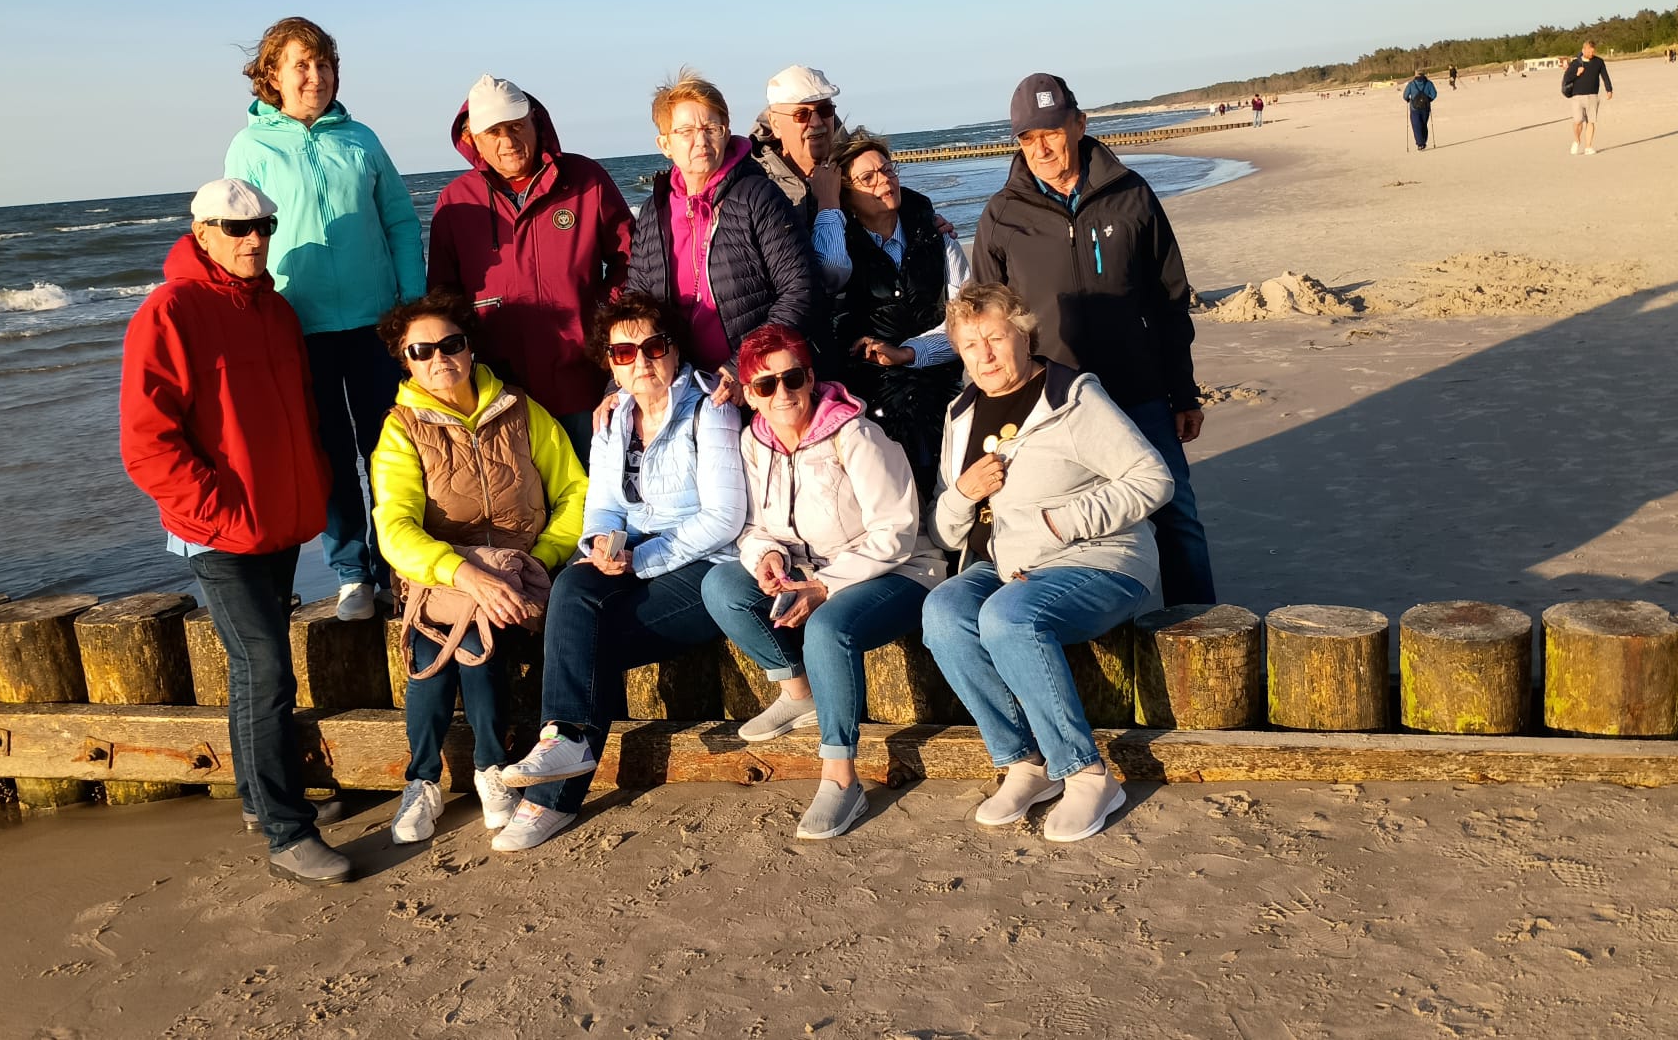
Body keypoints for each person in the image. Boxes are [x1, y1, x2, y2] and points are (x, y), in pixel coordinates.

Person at [120, 179, 350, 886]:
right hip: (218, 532)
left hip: (277, 522)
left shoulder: (275, 310)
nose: (254, 240)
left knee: (257, 666)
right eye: (236, 228)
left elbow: (301, 410)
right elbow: (147, 441)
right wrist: (217, 511)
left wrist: (312, 483)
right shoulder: (169, 311)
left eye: (264, 227)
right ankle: (287, 832)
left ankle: (259, 800)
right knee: (266, 667)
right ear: (202, 233)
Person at [495, 292, 747, 851]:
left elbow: (724, 518)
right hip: (633, 556)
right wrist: (600, 546)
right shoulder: (612, 419)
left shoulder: (711, 410)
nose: (642, 362)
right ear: (610, 362)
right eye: (625, 353)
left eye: (653, 347)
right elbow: (604, 507)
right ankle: (563, 744)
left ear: (674, 350)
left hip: (704, 565)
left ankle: (550, 798)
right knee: (574, 582)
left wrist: (641, 559)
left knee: (587, 642)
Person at [923, 282, 1174, 843]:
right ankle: (1025, 763)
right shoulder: (960, 413)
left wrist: (1060, 523)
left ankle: (1087, 775)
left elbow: (1153, 480)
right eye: (970, 345)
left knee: (1008, 618)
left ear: (1024, 335)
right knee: (942, 612)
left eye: (995, 338)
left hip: (1099, 559)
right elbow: (943, 529)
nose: (985, 355)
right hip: (1005, 564)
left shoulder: (1073, 400)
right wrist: (963, 494)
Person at [970, 72, 1215, 607]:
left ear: (1079, 125)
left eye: (1052, 133)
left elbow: (1170, 300)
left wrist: (1183, 392)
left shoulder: (1132, 195)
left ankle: (1199, 628)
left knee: (1177, 514)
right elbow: (985, 324)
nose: (1041, 148)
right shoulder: (1001, 215)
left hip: (1138, 390)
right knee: (1067, 524)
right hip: (1054, 407)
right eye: (1028, 138)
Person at [702, 324, 945, 839]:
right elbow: (753, 527)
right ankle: (799, 693)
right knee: (722, 587)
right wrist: (767, 556)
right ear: (749, 394)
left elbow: (897, 532)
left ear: (811, 379)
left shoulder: (855, 436)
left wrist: (825, 585)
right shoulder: (753, 442)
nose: (783, 393)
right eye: (766, 384)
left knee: (828, 627)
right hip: (809, 571)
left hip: (899, 570)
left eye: (793, 378)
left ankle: (840, 777)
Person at [369, 286, 589, 846]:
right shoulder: (400, 430)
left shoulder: (520, 409)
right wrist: (464, 574)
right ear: (405, 361)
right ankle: (436, 778)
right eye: (421, 351)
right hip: (444, 577)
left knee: (475, 633)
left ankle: (477, 769)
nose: (439, 358)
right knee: (452, 641)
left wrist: (539, 558)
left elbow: (575, 491)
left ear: (469, 347)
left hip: (522, 569)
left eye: (450, 344)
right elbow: (394, 527)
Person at [225, 16, 426, 622]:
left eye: (324, 64)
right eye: (301, 65)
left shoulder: (360, 138)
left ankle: (398, 567)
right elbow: (237, 241)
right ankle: (351, 573)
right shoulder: (250, 148)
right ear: (272, 76)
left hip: (376, 323)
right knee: (328, 454)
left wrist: (412, 306)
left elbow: (400, 221)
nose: (315, 76)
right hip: (298, 327)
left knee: (389, 448)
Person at [425, 75, 635, 464]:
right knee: (521, 496)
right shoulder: (455, 203)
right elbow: (442, 300)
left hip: (582, 382)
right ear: (473, 139)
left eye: (516, 126)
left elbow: (631, 257)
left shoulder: (586, 180)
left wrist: (601, 310)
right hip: (500, 393)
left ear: (535, 122)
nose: (508, 141)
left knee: (594, 491)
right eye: (493, 132)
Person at [621, 71, 815, 405]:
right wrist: (619, 387)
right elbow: (635, 305)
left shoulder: (757, 196)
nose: (701, 141)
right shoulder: (655, 210)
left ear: (726, 133)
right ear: (665, 144)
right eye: (685, 131)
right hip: (682, 385)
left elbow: (799, 289)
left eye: (711, 128)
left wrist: (743, 366)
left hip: (762, 385)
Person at [811, 135, 969, 502]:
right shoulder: (842, 245)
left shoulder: (937, 237)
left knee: (952, 495)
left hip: (942, 393)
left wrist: (909, 353)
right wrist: (829, 204)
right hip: (872, 402)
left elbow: (966, 324)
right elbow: (830, 269)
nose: (884, 180)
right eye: (867, 178)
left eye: (887, 169)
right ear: (848, 195)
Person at [749, 65, 847, 226]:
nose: (816, 122)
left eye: (825, 110)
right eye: (801, 114)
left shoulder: (860, 173)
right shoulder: (753, 187)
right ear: (775, 124)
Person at [1563, 40, 1616, 156]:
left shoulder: (1599, 62)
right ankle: (1577, 140)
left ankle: (1588, 146)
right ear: (1583, 50)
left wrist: (1609, 89)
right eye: (1589, 51)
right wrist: (1577, 74)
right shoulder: (1576, 63)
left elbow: (1605, 76)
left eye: (1593, 51)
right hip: (1577, 96)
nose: (1591, 53)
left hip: (1593, 96)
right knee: (1578, 121)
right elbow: (1566, 79)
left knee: (1591, 121)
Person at [1402, 69, 1437, 150]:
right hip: (1425, 108)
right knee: (1424, 125)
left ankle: (1420, 143)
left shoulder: (1411, 84)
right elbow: (1434, 94)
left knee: (1416, 126)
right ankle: (1423, 141)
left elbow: (1405, 96)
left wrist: (1408, 100)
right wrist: (1429, 100)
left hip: (1414, 108)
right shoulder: (1429, 83)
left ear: (1415, 75)